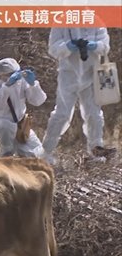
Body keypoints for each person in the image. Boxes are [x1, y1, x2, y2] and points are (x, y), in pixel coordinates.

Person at [42, 27, 115, 164]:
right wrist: (68, 46)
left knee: (94, 115)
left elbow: (105, 46)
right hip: (68, 75)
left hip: (91, 74)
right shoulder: (61, 24)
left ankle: (95, 152)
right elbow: (53, 49)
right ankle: (45, 152)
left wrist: (94, 46)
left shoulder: (96, 22)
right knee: (61, 115)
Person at [0, 58, 47, 158]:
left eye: (15, 73)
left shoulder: (22, 83)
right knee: (6, 127)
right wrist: (7, 86)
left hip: (20, 125)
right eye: (8, 74)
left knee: (38, 154)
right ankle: (6, 154)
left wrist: (33, 84)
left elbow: (38, 101)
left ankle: (22, 155)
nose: (13, 76)